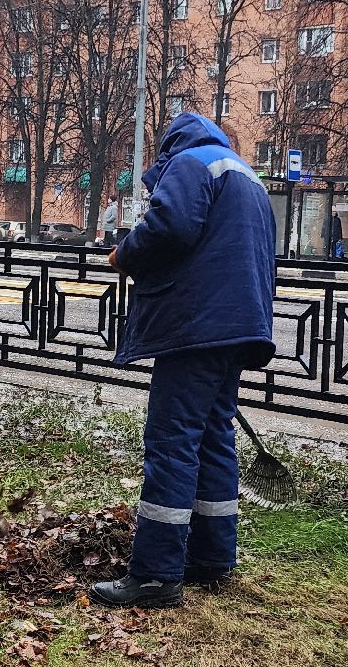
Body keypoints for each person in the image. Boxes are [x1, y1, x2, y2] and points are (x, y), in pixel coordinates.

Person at [93, 113, 276, 609]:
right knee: (214, 436)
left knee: (173, 440)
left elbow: (169, 225)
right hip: (241, 324)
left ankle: (155, 575)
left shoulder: (192, 163)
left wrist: (125, 254)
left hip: (197, 324)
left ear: (171, 146)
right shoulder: (244, 173)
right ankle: (212, 560)